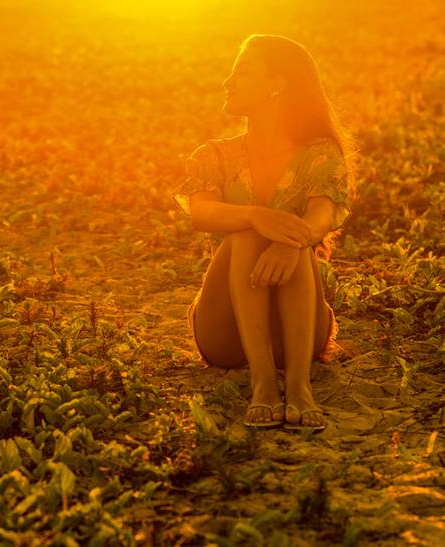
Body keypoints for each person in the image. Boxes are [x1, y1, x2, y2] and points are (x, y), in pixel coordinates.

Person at [172, 34, 357, 431]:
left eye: (242, 71)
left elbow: (324, 213)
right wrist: (257, 216)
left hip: (301, 335)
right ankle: (262, 382)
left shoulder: (320, 153)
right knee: (246, 229)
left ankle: (298, 384)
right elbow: (201, 213)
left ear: (278, 84)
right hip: (225, 331)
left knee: (285, 236)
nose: (228, 81)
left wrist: (294, 240)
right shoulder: (214, 154)